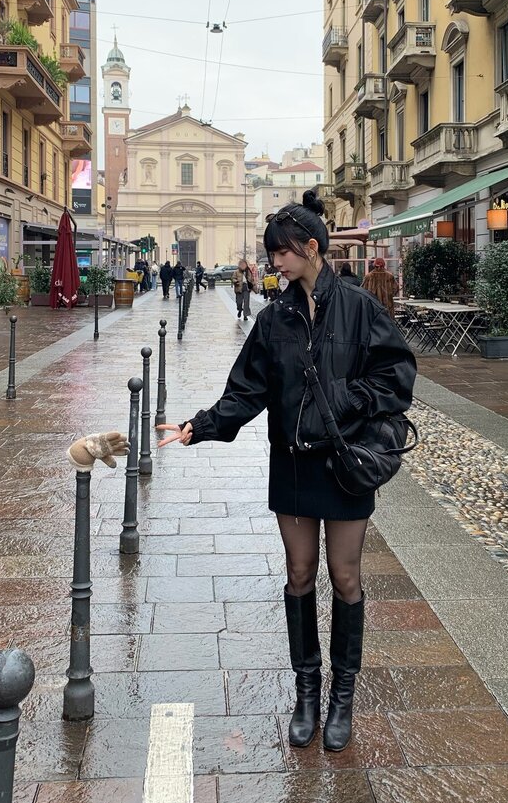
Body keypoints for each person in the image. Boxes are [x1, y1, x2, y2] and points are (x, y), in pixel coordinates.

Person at [157, 191, 416, 754]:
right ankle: (307, 693)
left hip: (345, 463)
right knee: (299, 574)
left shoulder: (359, 307)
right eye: (272, 253)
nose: (273, 262)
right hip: (294, 463)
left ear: (311, 248)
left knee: (345, 577)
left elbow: (397, 378)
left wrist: (345, 401)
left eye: (281, 253)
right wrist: (199, 426)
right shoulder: (274, 317)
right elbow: (247, 390)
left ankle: (342, 697)